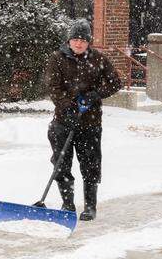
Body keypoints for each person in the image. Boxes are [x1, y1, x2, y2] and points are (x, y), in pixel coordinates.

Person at [44, 18, 122, 221]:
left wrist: (95, 95)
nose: (78, 43)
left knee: (90, 164)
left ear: (88, 42)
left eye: (83, 40)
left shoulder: (98, 59)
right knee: (61, 163)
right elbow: (54, 87)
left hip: (90, 123)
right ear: (69, 40)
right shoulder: (57, 59)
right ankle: (68, 204)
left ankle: (90, 206)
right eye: (75, 39)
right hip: (63, 122)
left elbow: (115, 82)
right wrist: (67, 106)